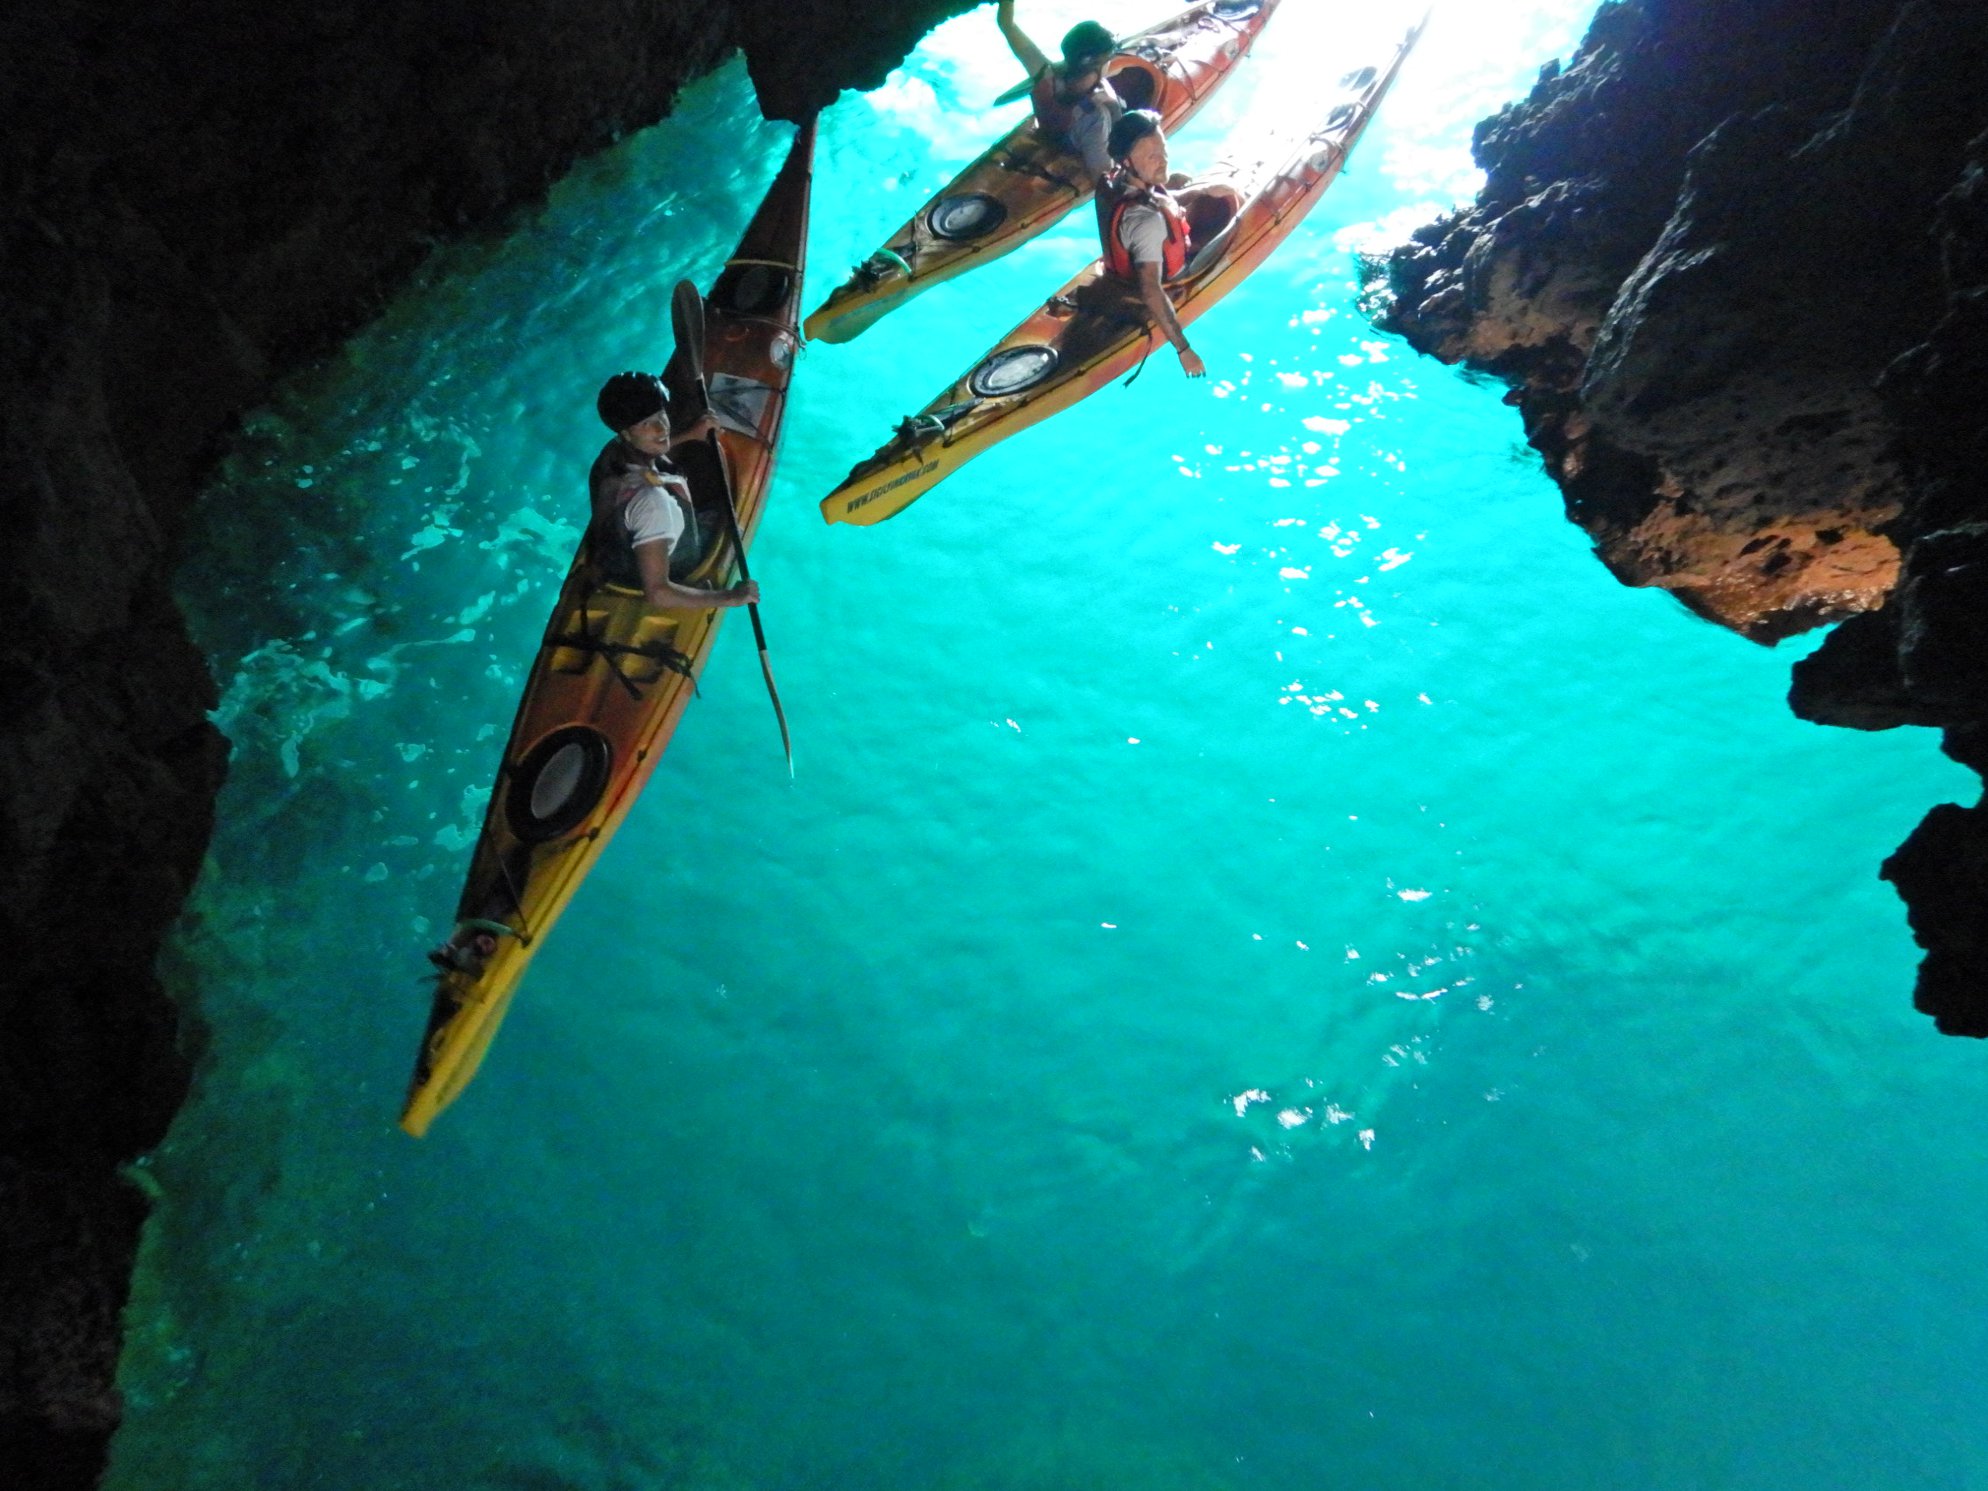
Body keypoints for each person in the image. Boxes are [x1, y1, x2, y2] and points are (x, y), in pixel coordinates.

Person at [589, 371, 758, 611]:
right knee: (734, 529)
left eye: (661, 415)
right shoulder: (654, 505)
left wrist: (691, 434)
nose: (661, 428)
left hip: (617, 560)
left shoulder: (611, 454)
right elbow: (657, 593)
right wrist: (732, 597)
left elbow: (648, 451)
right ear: (626, 433)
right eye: (646, 423)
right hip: (672, 570)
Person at [1095, 109, 1236, 380]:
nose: (1163, 162)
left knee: (1180, 181)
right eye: (1152, 157)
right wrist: (1184, 350)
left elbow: (1162, 203)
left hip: (1125, 265)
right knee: (1230, 219)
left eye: (1164, 151)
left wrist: (1201, 191)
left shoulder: (1118, 182)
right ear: (1127, 161)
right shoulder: (1146, 221)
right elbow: (1150, 289)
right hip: (1170, 276)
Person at [995, 0, 1124, 180]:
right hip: (1073, 145)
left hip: (1048, 132)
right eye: (1109, 57)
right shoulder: (1094, 117)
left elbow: (1006, 24)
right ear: (1097, 65)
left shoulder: (1042, 72)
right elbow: (1103, 180)